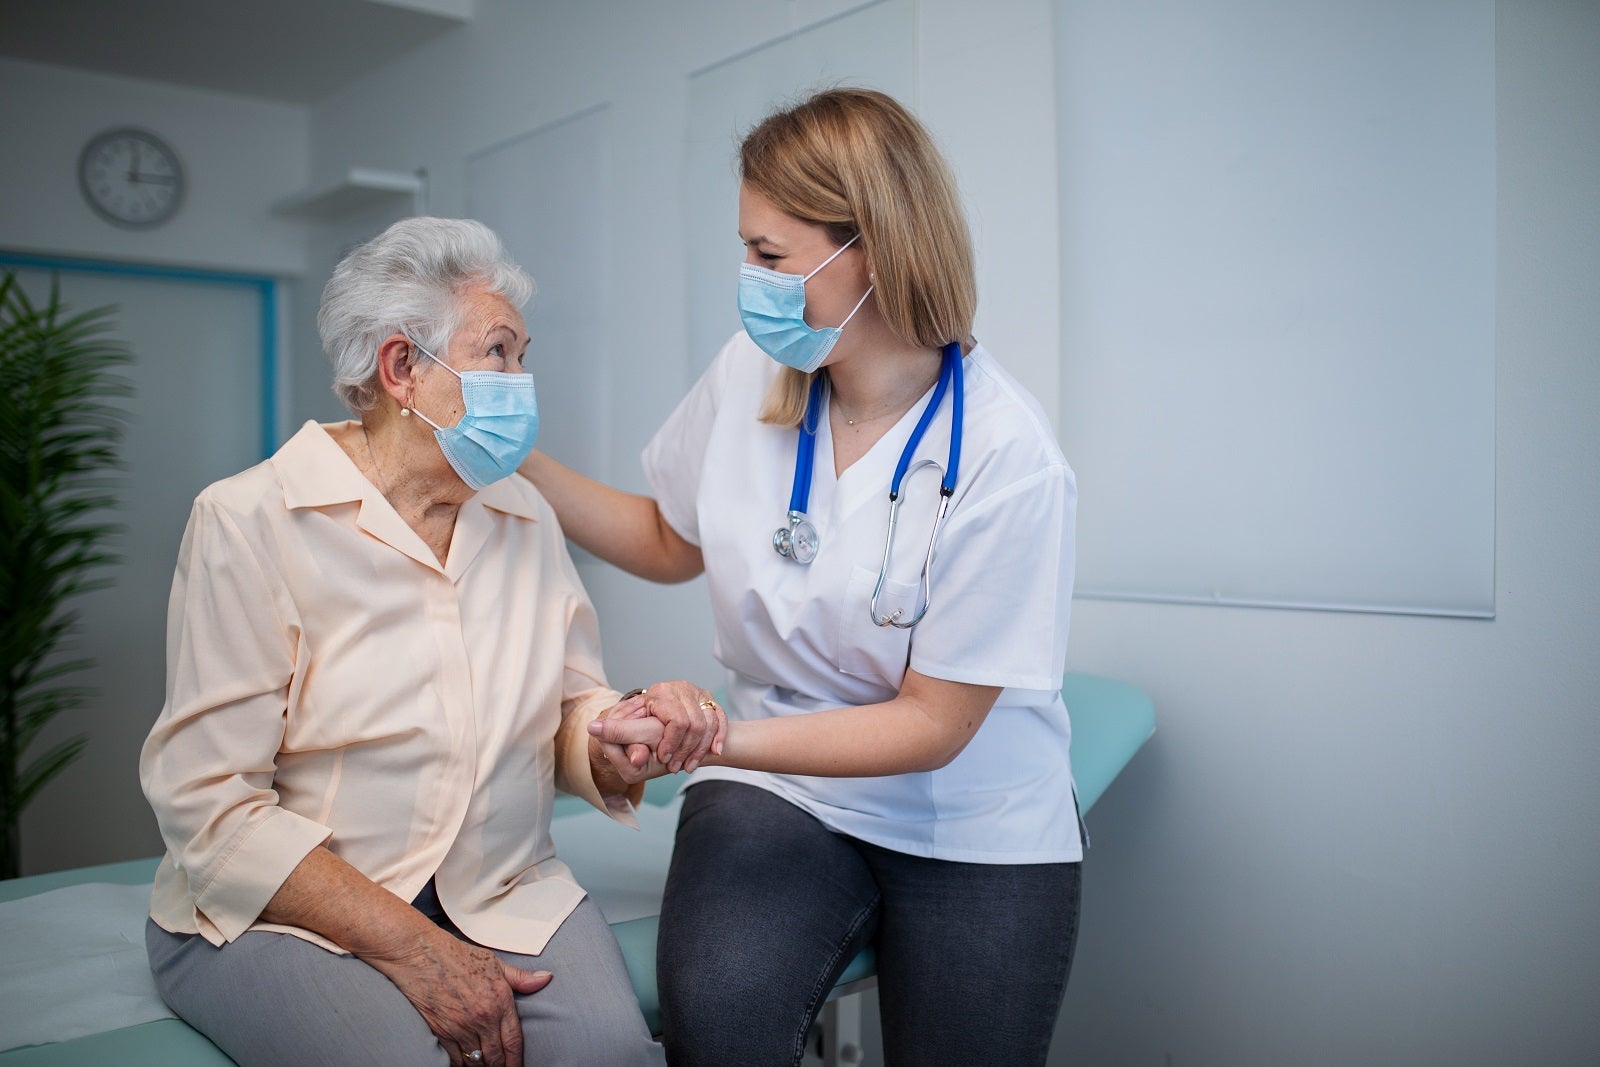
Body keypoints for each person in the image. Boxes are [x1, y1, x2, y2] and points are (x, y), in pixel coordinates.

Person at [524, 88, 1081, 1066]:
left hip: (971, 815)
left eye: (771, 255)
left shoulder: (1006, 456)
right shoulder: (750, 371)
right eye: (746, 248)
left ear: (870, 246)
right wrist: (518, 464)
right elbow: (668, 536)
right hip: (779, 787)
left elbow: (932, 724)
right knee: (718, 1021)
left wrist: (713, 735)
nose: (749, 280)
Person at [139, 217, 720, 1067]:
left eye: (524, 355)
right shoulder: (248, 520)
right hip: (286, 912)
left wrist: (618, 739)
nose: (521, 381)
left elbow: (566, 708)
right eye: (499, 352)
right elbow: (211, 804)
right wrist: (414, 947)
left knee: (614, 1055)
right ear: (402, 367)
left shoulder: (523, 512)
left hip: (495, 884)